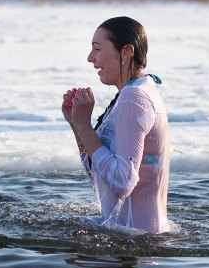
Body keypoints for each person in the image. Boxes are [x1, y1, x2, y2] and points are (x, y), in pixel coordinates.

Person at [62, 17, 172, 234]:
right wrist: (77, 124)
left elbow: (122, 182)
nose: (90, 58)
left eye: (97, 49)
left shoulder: (134, 97)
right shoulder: (132, 94)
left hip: (137, 247)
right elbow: (100, 176)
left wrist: (85, 125)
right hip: (133, 237)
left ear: (126, 52)